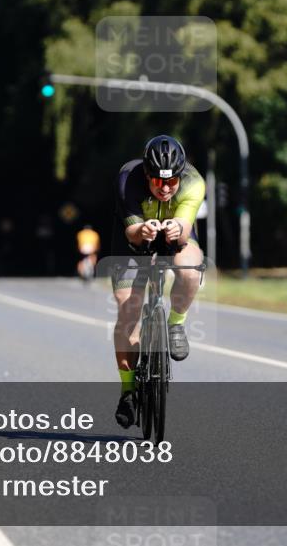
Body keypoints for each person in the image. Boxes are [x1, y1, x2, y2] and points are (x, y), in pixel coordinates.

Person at [111, 135, 205, 428]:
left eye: (171, 182)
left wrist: (177, 228)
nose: (165, 188)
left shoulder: (194, 182)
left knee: (189, 270)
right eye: (158, 182)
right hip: (132, 239)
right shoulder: (129, 178)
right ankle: (127, 390)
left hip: (175, 233)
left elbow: (186, 228)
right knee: (128, 310)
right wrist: (143, 231)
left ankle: (176, 323)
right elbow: (132, 233)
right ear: (147, 174)